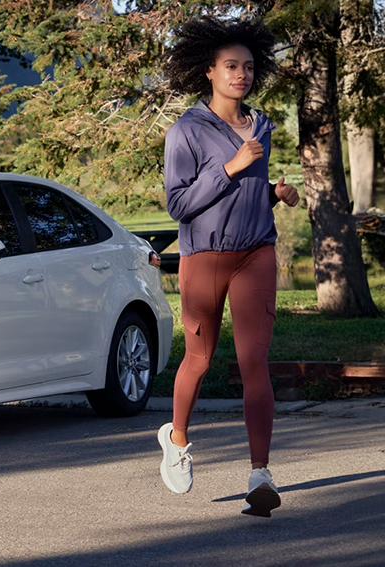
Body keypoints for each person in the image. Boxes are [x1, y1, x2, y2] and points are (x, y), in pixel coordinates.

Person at [157, 17, 300, 517]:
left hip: (256, 252)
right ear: (209, 73)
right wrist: (231, 167)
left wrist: (273, 192)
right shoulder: (186, 131)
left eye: (249, 67)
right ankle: (176, 440)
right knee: (198, 359)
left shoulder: (259, 124)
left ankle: (260, 475)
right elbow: (179, 204)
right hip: (204, 257)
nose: (242, 74)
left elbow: (244, 193)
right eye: (231, 66)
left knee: (253, 363)